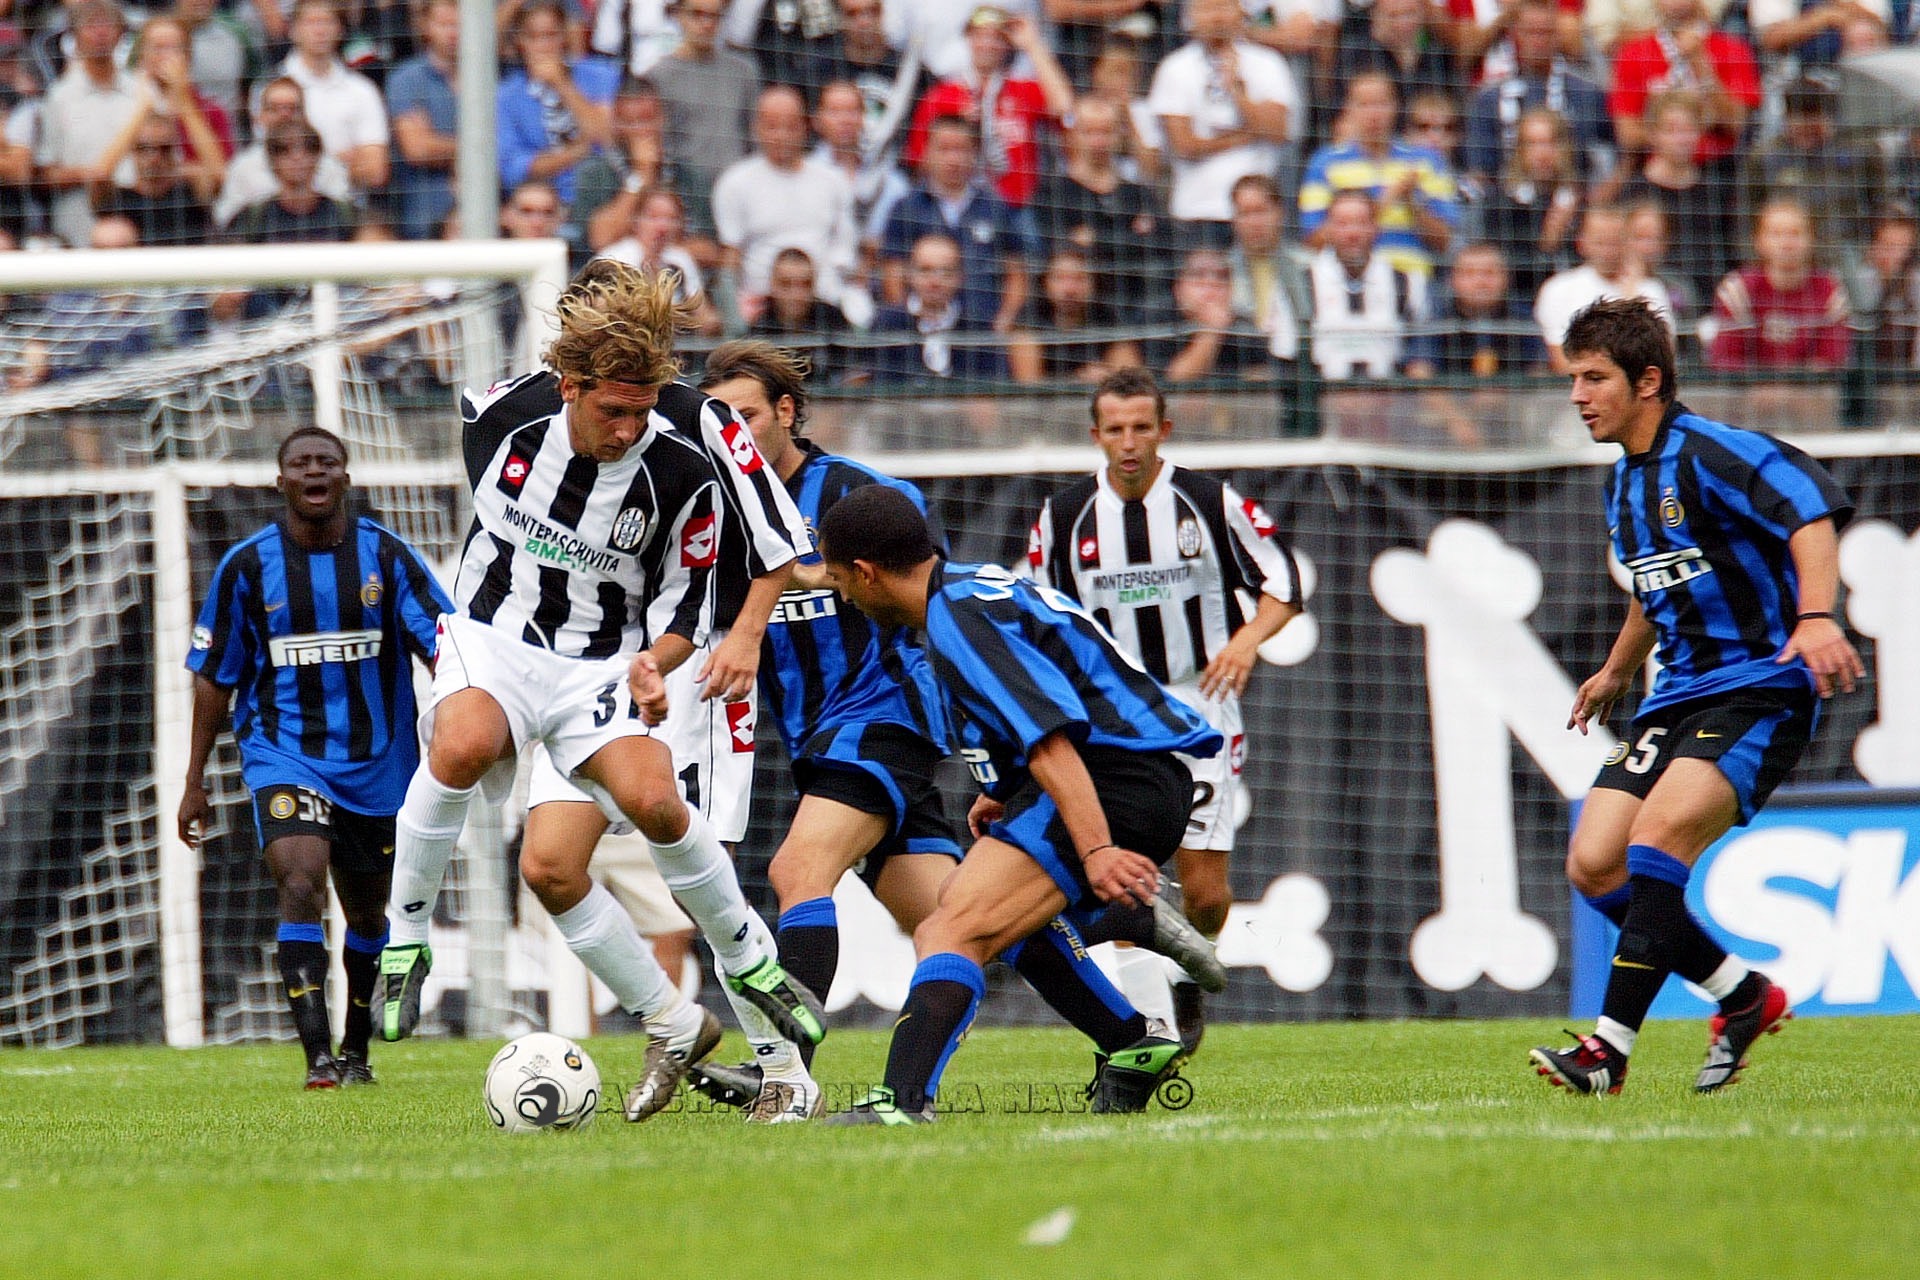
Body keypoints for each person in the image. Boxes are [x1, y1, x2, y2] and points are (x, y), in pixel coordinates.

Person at [374, 263, 824, 1121]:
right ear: (569, 377)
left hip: (648, 662)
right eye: (612, 408)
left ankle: (778, 1058)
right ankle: (416, 943)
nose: (628, 429)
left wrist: (727, 641)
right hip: (506, 645)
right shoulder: (500, 416)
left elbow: (770, 547)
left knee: (664, 817)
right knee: (535, 846)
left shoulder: (696, 436)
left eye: (640, 409)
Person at [1532, 296, 1863, 1096]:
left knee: (1655, 844)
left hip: (1758, 685)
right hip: (1674, 694)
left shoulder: (1713, 451)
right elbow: (1655, 586)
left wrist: (1816, 617)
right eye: (1574, 378)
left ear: (1647, 381)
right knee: (1595, 864)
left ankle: (1608, 1053)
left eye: (1593, 378)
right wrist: (1617, 670)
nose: (1578, 395)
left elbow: (1810, 509)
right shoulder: (1623, 483)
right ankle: (1742, 996)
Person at [816, 483, 1227, 1124]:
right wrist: (1004, 792)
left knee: (951, 928)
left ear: (866, 573)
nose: (844, 596)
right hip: (1126, 776)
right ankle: (1131, 1042)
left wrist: (1096, 850)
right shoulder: (968, 591)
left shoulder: (957, 619)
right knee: (990, 915)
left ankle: (902, 1105)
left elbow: (1051, 738)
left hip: (1113, 780)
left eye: (841, 580)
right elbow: (1051, 693)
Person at [1025, 366, 1301, 1058]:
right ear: (1096, 435)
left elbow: (1284, 581)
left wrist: (1245, 641)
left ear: (1164, 430)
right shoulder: (1064, 518)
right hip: (1113, 723)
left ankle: (1186, 975)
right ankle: (1149, 1037)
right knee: (1128, 877)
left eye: (1141, 428)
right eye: (1115, 429)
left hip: (1200, 710)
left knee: (1204, 892)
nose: (1129, 442)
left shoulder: (1208, 502)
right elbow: (1036, 618)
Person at [178, 426, 451, 1089]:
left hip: (379, 762)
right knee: (299, 883)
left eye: (326, 461)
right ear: (282, 482)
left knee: (367, 915)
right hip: (284, 754)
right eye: (300, 463)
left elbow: (447, 645)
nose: (314, 472)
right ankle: (318, 1060)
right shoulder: (246, 566)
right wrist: (193, 781)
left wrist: (463, 723)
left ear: (345, 477)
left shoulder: (387, 557)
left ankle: (356, 1052)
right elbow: (213, 677)